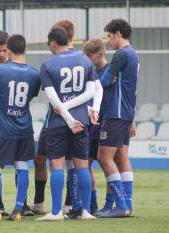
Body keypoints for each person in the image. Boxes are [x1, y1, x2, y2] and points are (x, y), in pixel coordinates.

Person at [36, 27, 98, 221]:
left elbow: (52, 97)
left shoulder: (48, 64)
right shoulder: (85, 60)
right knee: (82, 165)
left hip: (58, 122)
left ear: (53, 43)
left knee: (56, 166)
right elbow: (91, 92)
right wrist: (73, 114)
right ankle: (85, 211)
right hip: (81, 120)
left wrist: (65, 113)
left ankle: (56, 212)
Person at [0, 34, 41, 221]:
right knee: (22, 165)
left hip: (2, 128)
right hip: (24, 127)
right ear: (26, 49)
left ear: (8, 49)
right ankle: (18, 210)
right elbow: (30, 96)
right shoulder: (35, 74)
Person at [97, 19, 138, 218]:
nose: (109, 41)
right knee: (121, 157)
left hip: (116, 112)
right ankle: (126, 204)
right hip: (126, 112)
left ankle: (121, 205)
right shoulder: (134, 54)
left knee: (104, 157)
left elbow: (103, 82)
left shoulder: (121, 54)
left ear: (119, 34)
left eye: (111, 36)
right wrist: (132, 117)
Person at [83, 38, 110, 215]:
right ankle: (91, 205)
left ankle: (110, 205)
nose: (86, 60)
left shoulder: (111, 72)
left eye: (89, 56)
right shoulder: (89, 71)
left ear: (100, 54)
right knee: (85, 164)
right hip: (91, 125)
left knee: (109, 164)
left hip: (108, 123)